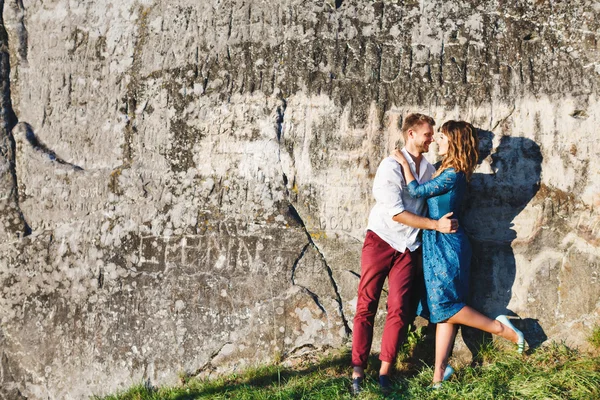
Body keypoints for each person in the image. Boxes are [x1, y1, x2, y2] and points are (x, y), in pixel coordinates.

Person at [392, 120, 526, 387]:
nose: (436, 142)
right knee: (443, 310)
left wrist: (404, 163)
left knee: (446, 306)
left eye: (441, 138)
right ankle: (439, 376)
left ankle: (502, 328)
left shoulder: (452, 173)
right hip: (438, 242)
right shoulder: (449, 170)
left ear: (453, 142)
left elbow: (416, 190)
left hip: (447, 245)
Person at [351, 113, 459, 395]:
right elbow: (397, 213)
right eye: (427, 134)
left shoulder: (429, 169)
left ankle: (385, 371)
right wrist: (436, 225)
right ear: (411, 134)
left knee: (399, 309)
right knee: (367, 303)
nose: (432, 138)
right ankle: (358, 370)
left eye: (433, 134)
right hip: (381, 240)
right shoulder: (390, 166)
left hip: (409, 247)